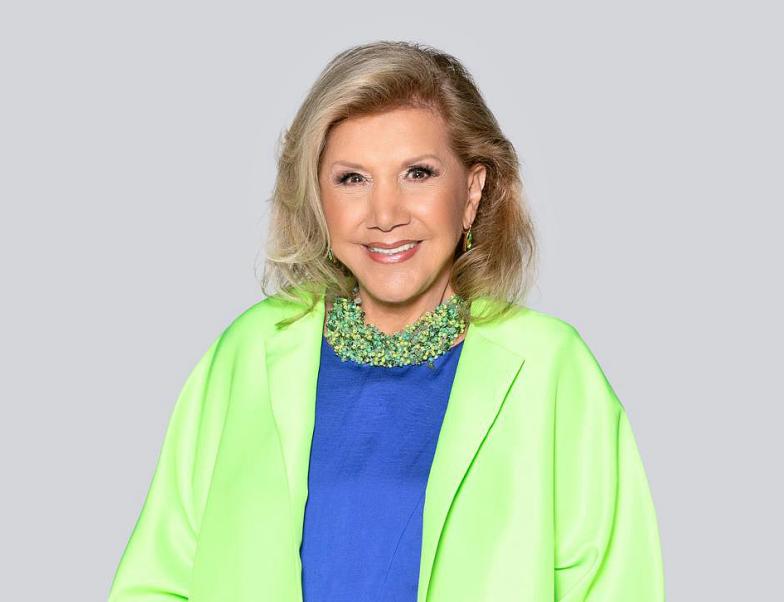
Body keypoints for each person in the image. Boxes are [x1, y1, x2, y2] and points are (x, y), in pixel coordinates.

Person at [108, 40, 664, 602]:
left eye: (418, 173)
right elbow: (157, 580)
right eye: (353, 178)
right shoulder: (249, 351)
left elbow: (617, 587)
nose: (385, 215)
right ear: (317, 197)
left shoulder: (550, 369)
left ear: (472, 192)